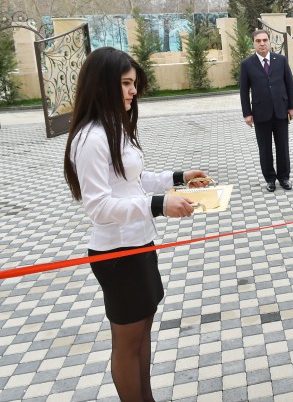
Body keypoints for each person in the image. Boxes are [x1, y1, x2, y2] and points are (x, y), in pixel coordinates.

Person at [62, 47, 208, 402]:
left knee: (143, 335)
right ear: (102, 86)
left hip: (140, 244)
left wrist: (178, 177)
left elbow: (134, 181)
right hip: (116, 253)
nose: (133, 91)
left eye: (134, 84)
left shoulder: (115, 127)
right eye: (126, 84)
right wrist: (159, 206)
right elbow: (98, 206)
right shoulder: (91, 138)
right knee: (127, 345)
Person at [239, 29, 293, 192]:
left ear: (269, 42)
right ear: (254, 43)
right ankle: (270, 179)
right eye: (258, 41)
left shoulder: (281, 60)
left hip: (281, 111)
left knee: (283, 147)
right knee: (265, 149)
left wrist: (292, 106)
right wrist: (247, 113)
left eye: (265, 40)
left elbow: (289, 84)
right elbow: (244, 91)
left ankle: (284, 178)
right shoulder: (247, 64)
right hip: (260, 113)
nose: (262, 43)